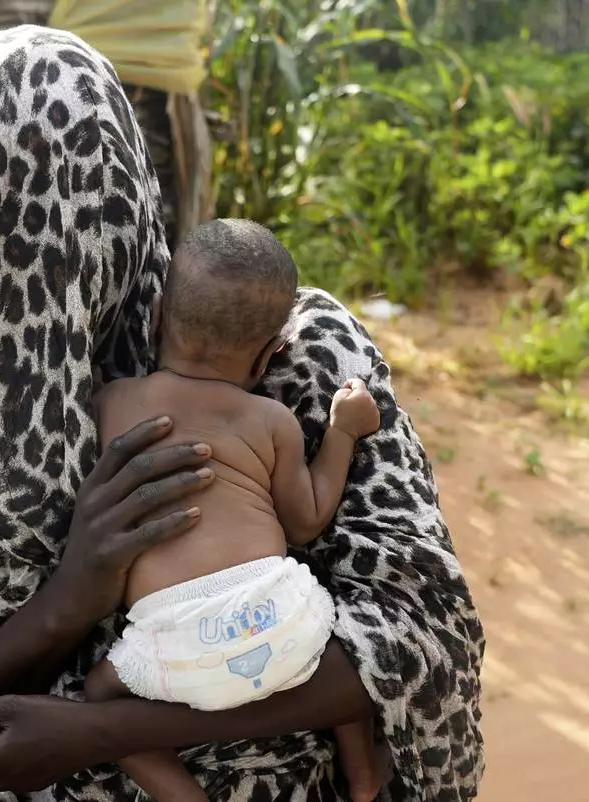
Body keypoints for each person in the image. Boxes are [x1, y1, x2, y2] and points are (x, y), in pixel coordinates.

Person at [0, 24, 486, 802]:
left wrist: (102, 730)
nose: (56, 248)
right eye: (18, 213)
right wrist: (69, 595)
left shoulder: (299, 352)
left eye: (83, 196)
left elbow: (423, 635)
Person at [83, 218, 384, 802]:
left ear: (155, 321)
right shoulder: (269, 420)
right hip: (280, 618)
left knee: (97, 700)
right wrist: (344, 432)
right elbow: (305, 521)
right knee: (342, 644)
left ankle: (184, 795)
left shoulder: (111, 405)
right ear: (270, 354)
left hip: (171, 642)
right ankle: (363, 772)